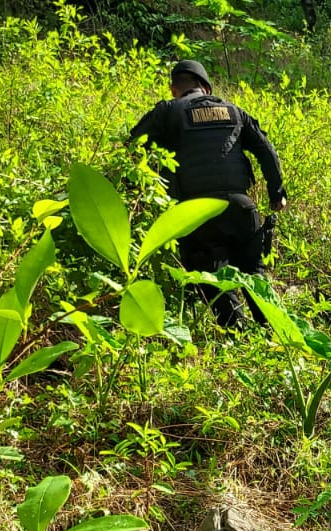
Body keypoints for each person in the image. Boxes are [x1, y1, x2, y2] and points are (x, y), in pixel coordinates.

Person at [128, 60, 288, 329]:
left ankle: (237, 332)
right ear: (206, 87)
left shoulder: (168, 111)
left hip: (195, 212)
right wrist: (277, 193)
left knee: (208, 274)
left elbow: (133, 145)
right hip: (241, 208)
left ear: (173, 89)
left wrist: (138, 192)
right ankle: (273, 334)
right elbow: (265, 149)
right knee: (254, 273)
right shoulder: (234, 112)